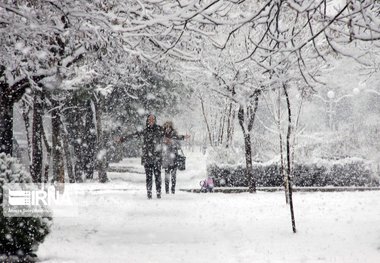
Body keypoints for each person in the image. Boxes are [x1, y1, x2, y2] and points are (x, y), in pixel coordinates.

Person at [118, 114, 164, 199]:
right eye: (149, 119)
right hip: (147, 156)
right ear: (147, 121)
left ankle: (158, 193)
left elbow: (170, 135)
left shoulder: (159, 129)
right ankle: (149, 194)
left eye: (153, 119)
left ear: (155, 120)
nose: (151, 121)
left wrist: (182, 137)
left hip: (157, 157)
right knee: (148, 177)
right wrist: (123, 138)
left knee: (158, 176)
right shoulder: (145, 130)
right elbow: (134, 135)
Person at [162, 121, 189, 194]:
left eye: (169, 127)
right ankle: (167, 191)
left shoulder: (174, 134)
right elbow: (159, 144)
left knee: (173, 175)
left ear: (171, 127)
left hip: (174, 157)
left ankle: (173, 190)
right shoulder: (162, 134)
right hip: (166, 158)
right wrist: (164, 142)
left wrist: (172, 142)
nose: (167, 128)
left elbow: (179, 142)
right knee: (167, 175)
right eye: (166, 127)